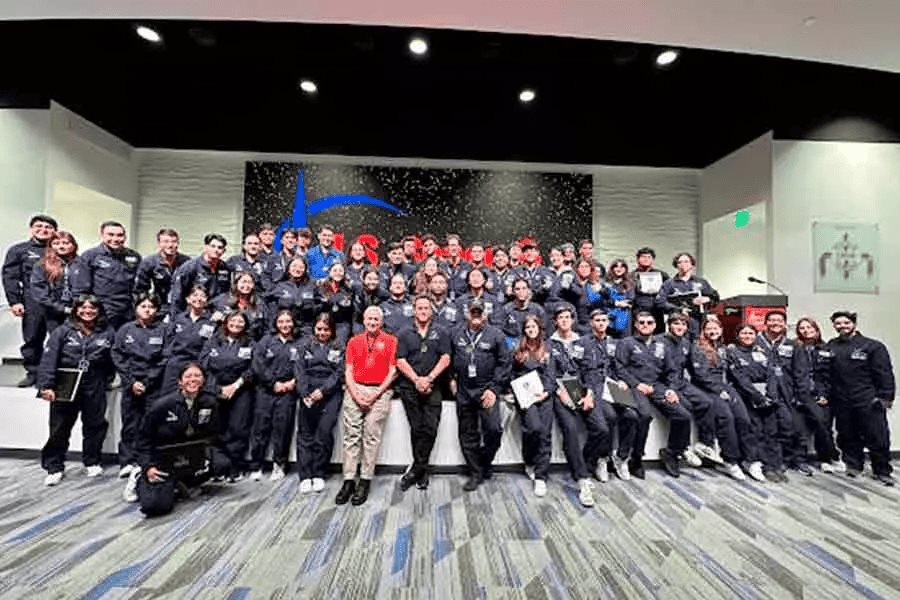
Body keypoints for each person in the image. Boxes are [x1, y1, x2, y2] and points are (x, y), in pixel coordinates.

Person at [126, 363, 231, 516]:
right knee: (155, 506)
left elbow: (213, 434)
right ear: (180, 382)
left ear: (203, 380)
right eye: (188, 376)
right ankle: (139, 475)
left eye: (197, 376)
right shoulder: (162, 406)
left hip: (190, 454)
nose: (193, 380)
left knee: (222, 464)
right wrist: (148, 466)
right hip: (163, 458)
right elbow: (143, 440)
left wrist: (206, 455)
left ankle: (185, 482)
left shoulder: (210, 403)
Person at [37, 294, 115, 486]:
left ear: (98, 311)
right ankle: (54, 466)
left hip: (94, 382)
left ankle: (92, 461)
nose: (88, 311)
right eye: (83, 307)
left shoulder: (107, 332)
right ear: (76, 310)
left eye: (92, 308)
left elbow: (113, 358)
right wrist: (46, 386)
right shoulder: (62, 331)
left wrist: (108, 379)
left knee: (95, 425)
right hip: (66, 381)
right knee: (59, 427)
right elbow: (49, 360)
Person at [615, 312, 690, 479]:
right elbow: (619, 368)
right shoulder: (626, 343)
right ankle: (636, 459)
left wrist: (671, 389)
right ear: (635, 325)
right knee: (644, 415)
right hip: (636, 386)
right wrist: (636, 384)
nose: (645, 325)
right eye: (641, 322)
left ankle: (672, 452)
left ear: (655, 325)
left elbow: (671, 371)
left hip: (656, 386)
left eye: (649, 322)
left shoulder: (662, 345)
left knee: (683, 415)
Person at [336, 306, 397, 506]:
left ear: (381, 322)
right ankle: (348, 480)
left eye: (376, 319)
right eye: (369, 319)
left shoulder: (391, 341)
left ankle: (365, 480)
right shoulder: (353, 341)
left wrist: (375, 395)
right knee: (351, 435)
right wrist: (356, 394)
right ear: (363, 320)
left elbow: (393, 372)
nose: (372, 322)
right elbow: (348, 371)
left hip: (380, 390)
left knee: (371, 435)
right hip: (355, 388)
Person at [826, 311, 895, 485]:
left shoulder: (873, 346)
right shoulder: (832, 346)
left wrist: (886, 397)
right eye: (838, 323)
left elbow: (884, 373)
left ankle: (882, 470)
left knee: (877, 436)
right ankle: (854, 465)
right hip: (841, 399)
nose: (842, 326)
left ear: (854, 324)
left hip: (868, 399)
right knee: (847, 434)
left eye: (846, 323)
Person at [692, 316, 763, 481]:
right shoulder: (697, 348)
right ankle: (731, 461)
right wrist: (719, 390)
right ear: (703, 331)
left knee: (743, 419)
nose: (713, 331)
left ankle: (750, 459)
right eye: (709, 328)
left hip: (725, 387)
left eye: (716, 328)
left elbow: (734, 368)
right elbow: (700, 375)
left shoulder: (724, 348)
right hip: (706, 388)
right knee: (726, 418)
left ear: (721, 330)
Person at [451, 299, 510, 491]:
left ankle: (484, 462)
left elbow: (504, 364)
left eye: (479, 312)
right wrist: (451, 379)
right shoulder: (456, 333)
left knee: (494, 429)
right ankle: (475, 472)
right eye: (473, 312)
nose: (476, 315)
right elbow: (448, 358)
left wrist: (494, 389)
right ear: (466, 314)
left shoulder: (496, 335)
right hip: (464, 389)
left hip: (487, 389)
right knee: (467, 433)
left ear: (485, 314)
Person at [395, 295, 452, 491]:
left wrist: (429, 379)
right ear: (414, 310)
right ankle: (422, 470)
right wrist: (417, 380)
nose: (423, 311)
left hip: (434, 386)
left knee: (431, 428)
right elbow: (400, 360)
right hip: (409, 387)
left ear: (431, 311)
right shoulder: (403, 333)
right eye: (419, 308)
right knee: (417, 428)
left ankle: (416, 469)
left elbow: (446, 358)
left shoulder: (441, 331)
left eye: (426, 308)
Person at [726, 323, 794, 483]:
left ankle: (774, 465)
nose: (747, 336)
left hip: (768, 397)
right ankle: (759, 464)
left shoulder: (762, 352)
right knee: (756, 430)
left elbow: (771, 374)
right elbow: (740, 378)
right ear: (737, 336)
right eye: (744, 333)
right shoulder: (733, 353)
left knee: (772, 431)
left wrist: (770, 395)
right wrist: (757, 396)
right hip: (747, 397)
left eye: (750, 333)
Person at [575, 308, 635, 483]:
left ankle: (621, 457)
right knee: (609, 417)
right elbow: (575, 370)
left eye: (604, 320)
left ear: (608, 323)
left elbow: (618, 367)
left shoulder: (614, 343)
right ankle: (601, 458)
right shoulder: (581, 343)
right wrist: (584, 391)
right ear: (591, 323)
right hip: (592, 388)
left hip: (611, 386)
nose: (601, 323)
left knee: (632, 416)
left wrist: (621, 381)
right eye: (597, 320)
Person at [111, 293, 168, 479]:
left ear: (156, 310)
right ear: (136, 309)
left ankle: (150, 461)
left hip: (154, 386)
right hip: (131, 385)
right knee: (130, 424)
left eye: (151, 307)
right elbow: (118, 356)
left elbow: (165, 358)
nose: (147, 310)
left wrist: (147, 381)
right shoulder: (125, 330)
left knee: (152, 424)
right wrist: (131, 382)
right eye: (143, 306)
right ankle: (127, 461)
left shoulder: (163, 330)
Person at [3, 214, 58, 386]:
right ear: (31, 229)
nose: (43, 230)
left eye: (48, 227)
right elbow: (10, 277)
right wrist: (15, 301)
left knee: (59, 338)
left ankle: (57, 374)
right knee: (32, 338)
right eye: (39, 226)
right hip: (32, 300)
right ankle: (33, 373)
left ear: (54, 231)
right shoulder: (19, 250)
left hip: (57, 301)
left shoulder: (59, 248)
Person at [199, 311, 255, 480]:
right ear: (226, 323)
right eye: (233, 320)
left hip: (241, 390)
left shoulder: (250, 343)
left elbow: (253, 368)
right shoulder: (213, 341)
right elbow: (203, 366)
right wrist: (218, 389)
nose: (236, 324)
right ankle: (218, 467)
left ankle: (235, 468)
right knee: (216, 429)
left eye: (240, 321)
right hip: (215, 390)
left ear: (245, 325)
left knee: (238, 429)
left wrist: (235, 386)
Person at [756, 311, 812, 476]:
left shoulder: (794, 345)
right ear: (765, 323)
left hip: (789, 392)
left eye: (779, 320)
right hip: (765, 392)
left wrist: (801, 395)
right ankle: (779, 460)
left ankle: (799, 460)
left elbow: (801, 372)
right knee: (771, 429)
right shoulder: (756, 342)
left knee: (795, 427)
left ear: (784, 324)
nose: (776, 323)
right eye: (772, 320)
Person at [660, 314, 718, 473]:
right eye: (676, 324)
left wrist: (710, 383)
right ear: (669, 325)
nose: (680, 327)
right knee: (684, 408)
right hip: (664, 383)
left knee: (707, 402)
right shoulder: (659, 342)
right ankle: (676, 450)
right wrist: (668, 389)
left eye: (683, 324)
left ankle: (704, 443)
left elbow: (694, 368)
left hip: (681, 382)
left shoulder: (686, 343)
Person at [249, 309, 300, 483]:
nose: (285, 325)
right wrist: (273, 383)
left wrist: (293, 382)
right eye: (281, 322)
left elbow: (303, 365)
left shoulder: (300, 343)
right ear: (276, 324)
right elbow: (258, 364)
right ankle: (256, 465)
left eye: (288, 321)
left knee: (282, 429)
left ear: (293, 323)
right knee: (260, 429)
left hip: (288, 392)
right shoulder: (266, 341)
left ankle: (279, 464)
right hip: (266, 390)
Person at [296, 313, 345, 493]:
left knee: (323, 434)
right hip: (307, 392)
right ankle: (305, 475)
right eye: (319, 329)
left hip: (330, 393)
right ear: (314, 329)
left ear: (332, 330)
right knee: (305, 435)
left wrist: (323, 391)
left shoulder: (339, 347)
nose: (322, 333)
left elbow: (339, 373)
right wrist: (305, 393)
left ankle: (318, 472)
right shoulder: (304, 346)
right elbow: (299, 371)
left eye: (326, 329)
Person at [511, 314, 555, 497]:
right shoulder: (518, 349)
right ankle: (529, 460)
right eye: (528, 327)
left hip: (544, 395)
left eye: (534, 326)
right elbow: (512, 374)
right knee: (533, 428)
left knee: (544, 434)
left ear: (539, 328)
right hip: (526, 396)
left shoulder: (548, 348)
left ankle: (541, 477)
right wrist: (514, 391)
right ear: (524, 330)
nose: (531, 330)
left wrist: (547, 392)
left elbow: (552, 374)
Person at [793, 316, 843, 473]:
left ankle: (827, 458)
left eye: (809, 327)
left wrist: (824, 394)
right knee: (799, 429)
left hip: (821, 395)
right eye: (802, 328)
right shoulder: (793, 347)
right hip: (799, 394)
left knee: (823, 425)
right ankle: (800, 461)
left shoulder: (826, 349)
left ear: (816, 330)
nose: (806, 330)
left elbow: (830, 375)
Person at [72, 221, 142, 330]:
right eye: (110, 235)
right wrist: (84, 311)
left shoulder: (134, 256)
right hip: (102, 311)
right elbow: (80, 289)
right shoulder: (90, 256)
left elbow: (139, 285)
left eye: (120, 235)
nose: (115, 239)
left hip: (128, 311)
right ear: (102, 235)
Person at [160, 286, 216, 395]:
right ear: (188, 299)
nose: (198, 298)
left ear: (206, 301)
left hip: (197, 364)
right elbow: (169, 339)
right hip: (175, 363)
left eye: (202, 296)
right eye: (195, 295)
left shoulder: (212, 321)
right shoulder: (179, 318)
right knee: (167, 396)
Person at [657, 252, 718, 338]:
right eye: (680, 262)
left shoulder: (701, 282)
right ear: (676, 265)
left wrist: (707, 299)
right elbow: (660, 302)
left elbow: (715, 298)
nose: (683, 264)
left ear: (692, 265)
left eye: (686, 261)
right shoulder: (669, 284)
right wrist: (678, 310)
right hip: (678, 324)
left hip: (699, 322)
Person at [30, 230, 78, 335]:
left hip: (79, 311)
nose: (61, 246)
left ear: (74, 245)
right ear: (50, 246)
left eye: (66, 243)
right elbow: (39, 290)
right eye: (56, 243)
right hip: (53, 312)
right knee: (58, 339)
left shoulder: (82, 264)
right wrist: (60, 308)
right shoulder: (42, 265)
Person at [169, 233, 231, 316]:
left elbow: (224, 293)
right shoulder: (190, 267)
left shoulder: (225, 268)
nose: (216, 250)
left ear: (224, 251)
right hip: (193, 313)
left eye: (220, 247)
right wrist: (176, 318)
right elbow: (177, 295)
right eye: (212, 246)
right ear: (206, 247)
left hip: (215, 313)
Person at [134, 228, 190, 316]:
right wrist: (147, 308)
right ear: (159, 243)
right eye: (166, 242)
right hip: (159, 307)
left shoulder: (187, 262)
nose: (170, 245)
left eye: (174, 241)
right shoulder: (149, 262)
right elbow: (140, 289)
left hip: (182, 307)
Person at [265, 257, 319, 338]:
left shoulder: (312, 286)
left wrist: (311, 308)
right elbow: (268, 305)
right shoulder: (279, 286)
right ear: (288, 269)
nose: (297, 269)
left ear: (305, 270)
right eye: (294, 266)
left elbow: (320, 303)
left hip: (306, 329)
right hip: (285, 329)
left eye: (301, 267)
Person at [211, 271, 268, 341]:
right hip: (223, 340)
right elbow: (206, 310)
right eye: (244, 282)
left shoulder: (259, 303)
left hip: (249, 342)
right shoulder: (223, 299)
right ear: (236, 283)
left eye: (250, 282)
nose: (246, 285)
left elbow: (265, 326)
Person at [631, 247, 669, 334]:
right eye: (643, 257)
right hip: (638, 312)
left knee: (658, 337)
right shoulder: (631, 276)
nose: (646, 259)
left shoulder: (662, 275)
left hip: (657, 311)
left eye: (649, 257)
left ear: (653, 260)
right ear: (637, 259)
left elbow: (668, 292)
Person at [502, 277, 547, 347]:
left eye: (524, 288)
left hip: (534, 346)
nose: (521, 291)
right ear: (513, 292)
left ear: (529, 290)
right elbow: (500, 332)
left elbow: (544, 332)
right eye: (517, 289)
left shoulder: (538, 310)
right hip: (511, 346)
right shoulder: (506, 310)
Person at [318, 261, 355, 345]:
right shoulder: (321, 287)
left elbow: (351, 310)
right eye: (335, 270)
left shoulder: (348, 289)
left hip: (342, 324)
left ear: (344, 273)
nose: (338, 273)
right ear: (329, 272)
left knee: (339, 344)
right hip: (325, 322)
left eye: (340, 271)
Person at [604, 259, 635, 338]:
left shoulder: (630, 283)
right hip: (609, 316)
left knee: (624, 340)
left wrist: (612, 301)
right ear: (612, 268)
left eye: (622, 267)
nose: (619, 269)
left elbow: (630, 300)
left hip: (624, 317)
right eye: (616, 266)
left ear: (625, 269)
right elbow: (603, 300)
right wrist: (617, 303)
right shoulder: (606, 283)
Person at [352, 267, 388, 334]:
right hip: (359, 320)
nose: (372, 282)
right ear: (363, 279)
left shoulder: (384, 294)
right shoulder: (356, 287)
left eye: (375, 279)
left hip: (375, 320)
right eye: (369, 279)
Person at [441, 234, 471, 300]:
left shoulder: (467, 266)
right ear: (447, 248)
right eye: (451, 245)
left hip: (463, 301)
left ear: (459, 247)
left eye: (455, 245)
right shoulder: (442, 266)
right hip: (446, 301)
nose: (453, 248)